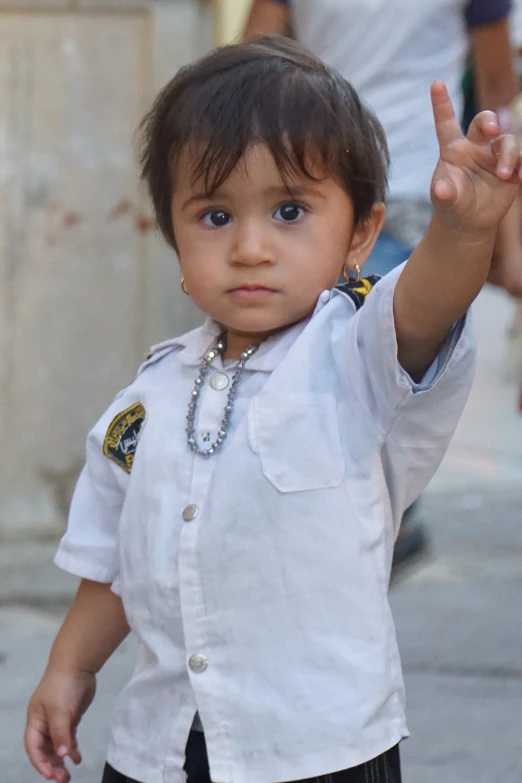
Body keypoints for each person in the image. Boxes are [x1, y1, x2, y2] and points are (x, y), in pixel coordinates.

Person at [24, 36, 522, 783]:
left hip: (318, 747)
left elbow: (425, 307)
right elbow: (114, 560)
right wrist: (68, 669)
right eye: (215, 216)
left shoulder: (357, 355)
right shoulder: (145, 401)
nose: (251, 247)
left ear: (360, 232)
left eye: (290, 210)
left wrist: (465, 231)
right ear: (174, 236)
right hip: (159, 748)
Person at [244, 0, 522, 571]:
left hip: (378, 185)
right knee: (348, 375)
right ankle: (376, 525)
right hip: (375, 183)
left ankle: (371, 527)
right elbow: (498, 89)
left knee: (363, 369)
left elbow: (252, 61)